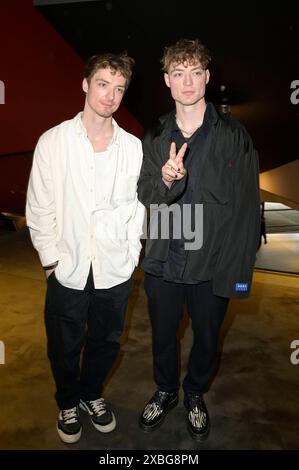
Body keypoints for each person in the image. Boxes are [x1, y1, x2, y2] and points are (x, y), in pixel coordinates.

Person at [137, 38, 260, 441]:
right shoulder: (155, 133)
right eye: (178, 73)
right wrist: (166, 179)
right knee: (162, 334)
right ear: (167, 81)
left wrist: (238, 276)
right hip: (163, 258)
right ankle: (166, 389)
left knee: (208, 337)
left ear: (206, 78)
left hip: (215, 264)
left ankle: (193, 393)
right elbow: (145, 193)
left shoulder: (235, 136)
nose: (187, 82)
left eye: (195, 72)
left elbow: (247, 210)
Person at [26, 53, 145, 444]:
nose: (110, 96)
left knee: (107, 341)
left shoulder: (132, 148)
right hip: (68, 265)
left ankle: (92, 395)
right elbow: (39, 207)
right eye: (103, 84)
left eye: (119, 88)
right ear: (85, 84)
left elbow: (138, 208)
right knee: (63, 344)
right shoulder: (53, 142)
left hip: (115, 268)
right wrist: (51, 262)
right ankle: (67, 402)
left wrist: (131, 256)